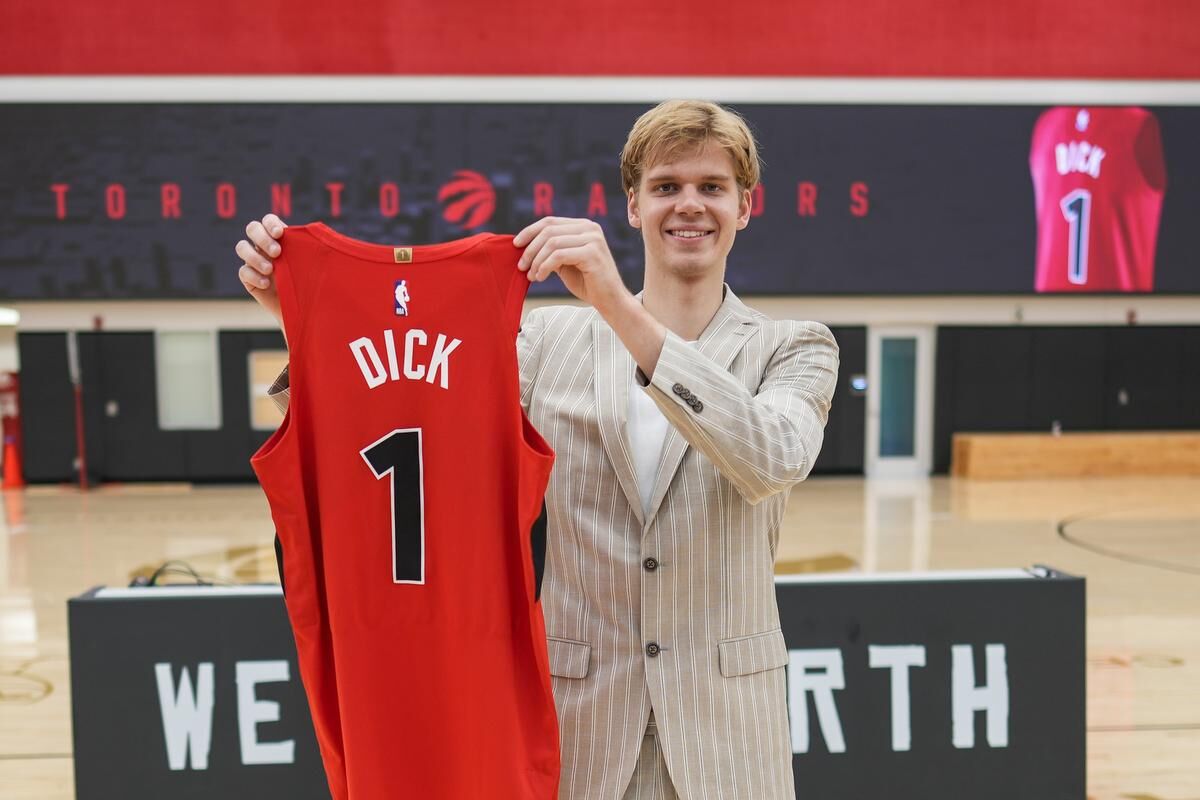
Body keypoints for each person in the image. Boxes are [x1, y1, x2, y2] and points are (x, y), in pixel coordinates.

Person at [236, 100, 839, 800]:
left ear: (745, 207)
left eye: (712, 187)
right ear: (635, 206)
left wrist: (616, 305)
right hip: (580, 730)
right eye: (666, 185)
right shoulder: (544, 345)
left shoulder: (795, 346)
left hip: (726, 739)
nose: (690, 206)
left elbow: (772, 458)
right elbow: (422, 420)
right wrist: (312, 331)